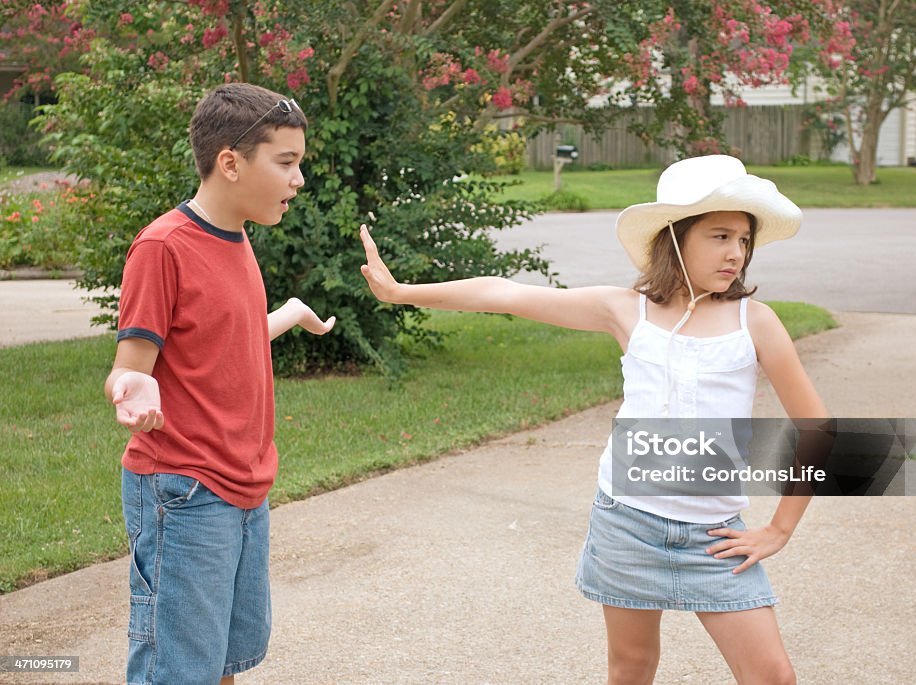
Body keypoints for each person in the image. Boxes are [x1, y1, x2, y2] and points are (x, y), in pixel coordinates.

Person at [358, 154, 829, 685]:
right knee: (631, 669)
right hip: (627, 523)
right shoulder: (626, 310)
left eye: (744, 240)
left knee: (773, 677)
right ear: (675, 238)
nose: (736, 254)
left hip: (714, 535)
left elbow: (819, 428)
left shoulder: (756, 322)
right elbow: (507, 294)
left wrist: (779, 529)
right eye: (720, 236)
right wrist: (401, 293)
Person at [104, 82, 335, 685]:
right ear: (230, 162)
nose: (298, 179)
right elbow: (131, 368)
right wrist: (136, 388)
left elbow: (219, 342)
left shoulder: (233, 238)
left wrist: (287, 313)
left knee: (224, 661)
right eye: (286, 162)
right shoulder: (163, 247)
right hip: (185, 490)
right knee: (178, 670)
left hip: (243, 486)